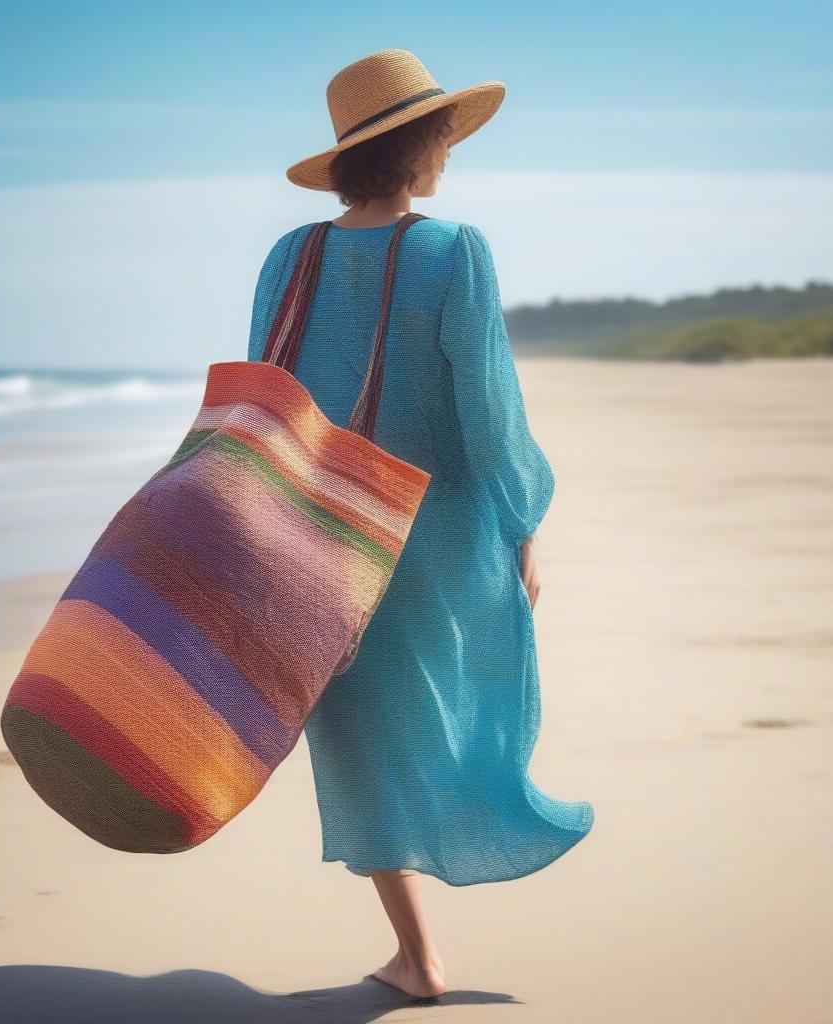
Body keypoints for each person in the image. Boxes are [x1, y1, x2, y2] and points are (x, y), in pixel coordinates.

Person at [248, 49, 594, 999]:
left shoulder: (291, 257)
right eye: (441, 132)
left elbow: (266, 404)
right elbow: (488, 409)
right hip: (432, 533)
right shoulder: (456, 251)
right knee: (455, 705)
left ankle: (417, 952)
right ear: (421, 143)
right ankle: (494, 827)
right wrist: (523, 517)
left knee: (358, 734)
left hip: (323, 534)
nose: (449, 147)